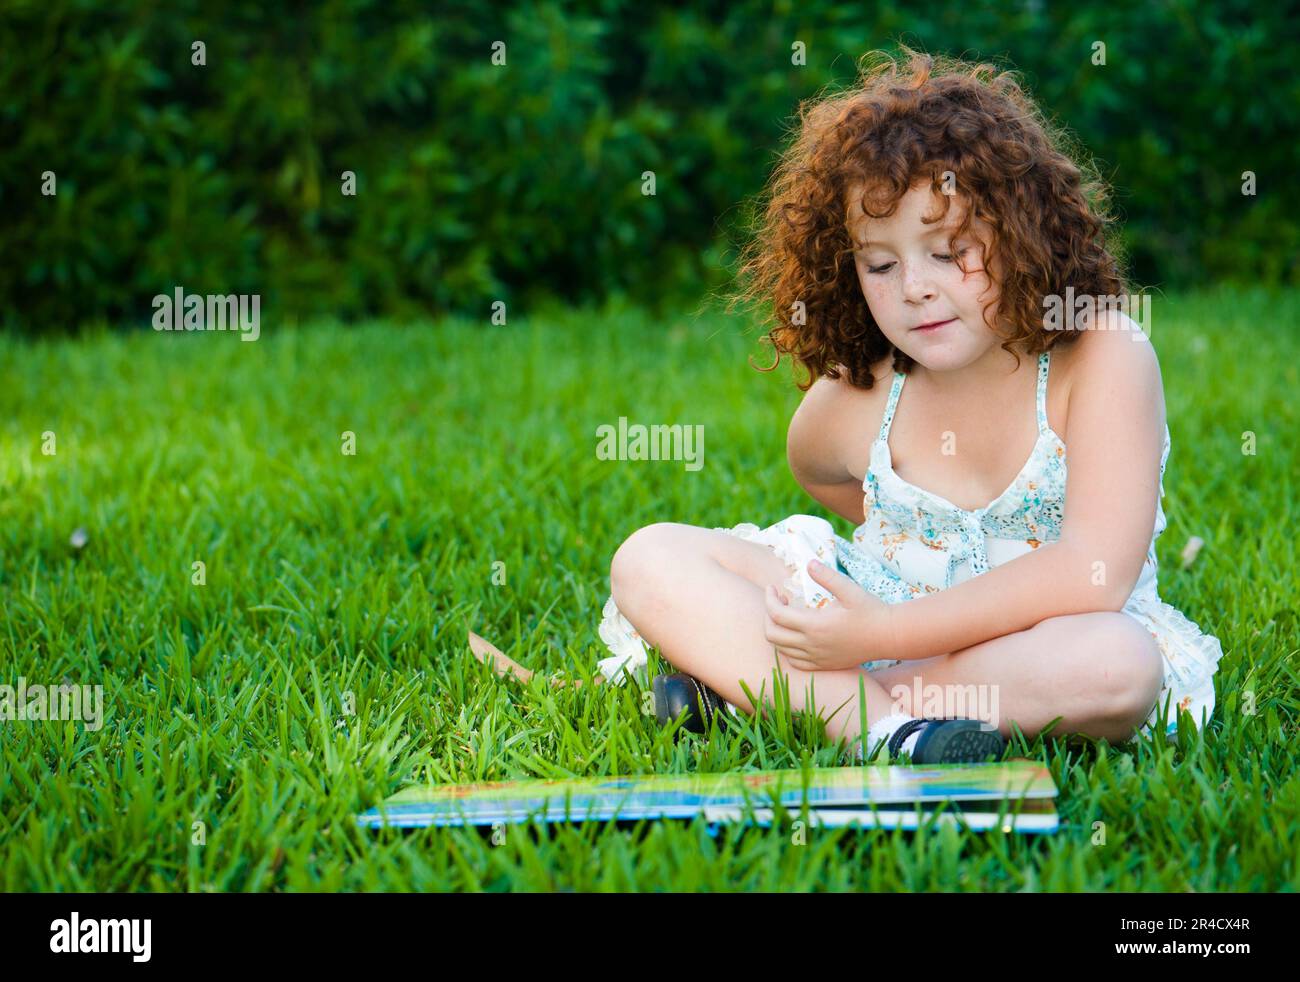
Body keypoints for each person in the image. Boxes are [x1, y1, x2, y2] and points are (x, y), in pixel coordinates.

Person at [595, 47, 1223, 765]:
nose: (914, 288)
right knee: (648, 558)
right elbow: (818, 471)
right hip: (876, 608)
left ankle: (774, 698)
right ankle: (888, 732)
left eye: (950, 250)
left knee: (1118, 666)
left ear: (1022, 232)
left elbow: (1095, 571)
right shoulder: (868, 390)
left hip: (1033, 637)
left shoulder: (1101, 354)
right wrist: (899, 564)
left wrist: (888, 635)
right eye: (882, 265)